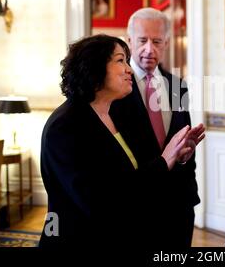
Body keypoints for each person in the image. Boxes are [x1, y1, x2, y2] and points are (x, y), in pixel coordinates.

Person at [39, 34, 204, 247]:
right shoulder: (65, 125)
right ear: (94, 66)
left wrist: (175, 156)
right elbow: (101, 201)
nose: (129, 69)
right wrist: (164, 160)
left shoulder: (110, 114)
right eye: (120, 60)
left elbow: (131, 175)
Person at [110, 8, 203, 247]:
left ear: (166, 43)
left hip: (179, 205)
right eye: (142, 40)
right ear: (129, 41)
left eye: (157, 41)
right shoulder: (112, 89)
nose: (149, 49)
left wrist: (183, 155)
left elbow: (183, 144)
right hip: (136, 207)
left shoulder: (178, 86)